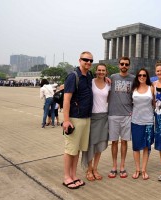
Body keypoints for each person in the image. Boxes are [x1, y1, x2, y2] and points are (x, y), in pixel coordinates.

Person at [61, 51, 94, 189]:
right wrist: (66, 120)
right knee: (70, 150)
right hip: (75, 118)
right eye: (85, 60)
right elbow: (66, 99)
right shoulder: (73, 76)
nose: (88, 62)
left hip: (86, 118)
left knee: (78, 150)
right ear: (79, 60)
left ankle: (74, 175)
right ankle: (66, 177)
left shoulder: (89, 76)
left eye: (91, 60)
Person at [81, 63, 110, 181]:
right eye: (99, 70)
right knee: (91, 145)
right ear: (96, 71)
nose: (101, 72)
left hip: (104, 117)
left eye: (103, 70)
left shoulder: (109, 84)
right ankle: (89, 169)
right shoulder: (90, 82)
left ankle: (95, 168)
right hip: (92, 117)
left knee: (100, 144)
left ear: (106, 72)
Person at [108, 56, 135, 179]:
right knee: (114, 142)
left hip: (127, 115)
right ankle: (114, 166)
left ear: (129, 66)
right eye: (122, 64)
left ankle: (122, 166)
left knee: (124, 141)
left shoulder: (133, 79)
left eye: (126, 64)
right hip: (113, 114)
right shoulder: (112, 78)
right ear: (119, 65)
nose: (124, 66)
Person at [131, 68, 155, 180]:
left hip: (148, 121)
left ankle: (144, 169)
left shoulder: (151, 88)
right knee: (136, 147)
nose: (142, 77)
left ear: (147, 76)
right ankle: (137, 169)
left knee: (146, 147)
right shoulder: (134, 88)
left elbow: (155, 103)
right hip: (135, 121)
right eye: (140, 75)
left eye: (144, 75)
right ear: (137, 76)